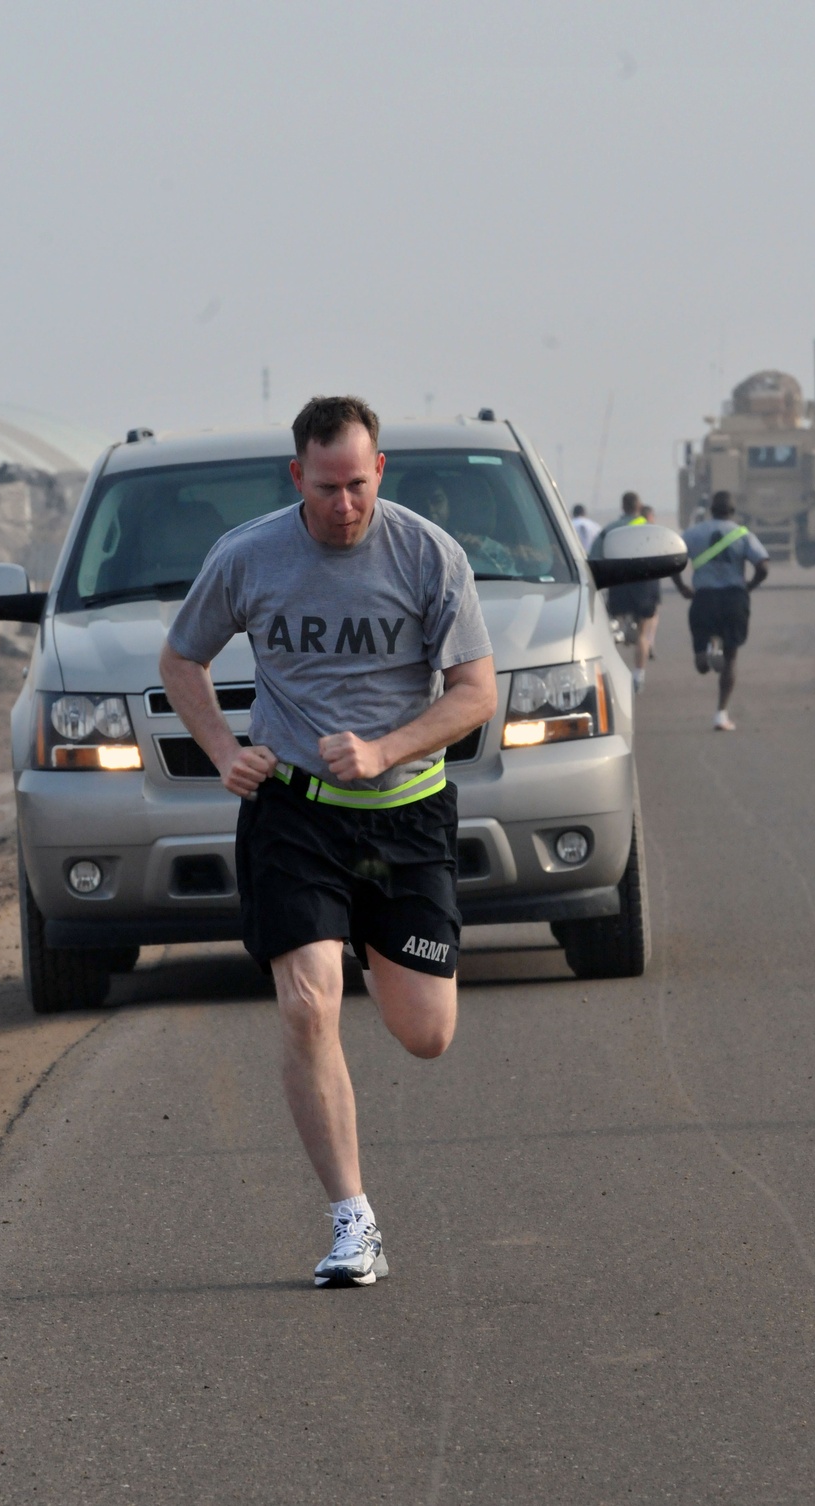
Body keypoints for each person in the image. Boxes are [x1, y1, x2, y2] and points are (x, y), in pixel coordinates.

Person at [160, 395, 497, 1287]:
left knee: (425, 1034)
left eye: (357, 485)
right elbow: (179, 658)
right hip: (294, 810)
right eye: (324, 488)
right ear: (295, 476)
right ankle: (353, 1221)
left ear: (380, 471)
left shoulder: (429, 554)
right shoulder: (249, 555)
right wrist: (226, 750)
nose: (343, 506)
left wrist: (385, 748)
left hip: (407, 814)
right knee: (309, 1002)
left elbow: (474, 693)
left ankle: (384, 956)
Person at [672, 489, 769, 730]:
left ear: (710, 510)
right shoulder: (743, 534)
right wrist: (750, 586)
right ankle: (721, 714)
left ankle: (706, 652)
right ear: (733, 512)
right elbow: (763, 566)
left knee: (701, 666)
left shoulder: (692, 533)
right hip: (733, 598)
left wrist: (682, 586)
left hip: (703, 598)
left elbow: (671, 560)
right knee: (731, 657)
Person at [590, 491, 656, 693]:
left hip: (618, 585)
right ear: (639, 506)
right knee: (643, 635)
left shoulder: (609, 529)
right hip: (643, 587)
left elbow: (595, 556)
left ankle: (612, 675)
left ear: (622, 506)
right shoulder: (650, 529)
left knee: (611, 634)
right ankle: (638, 676)